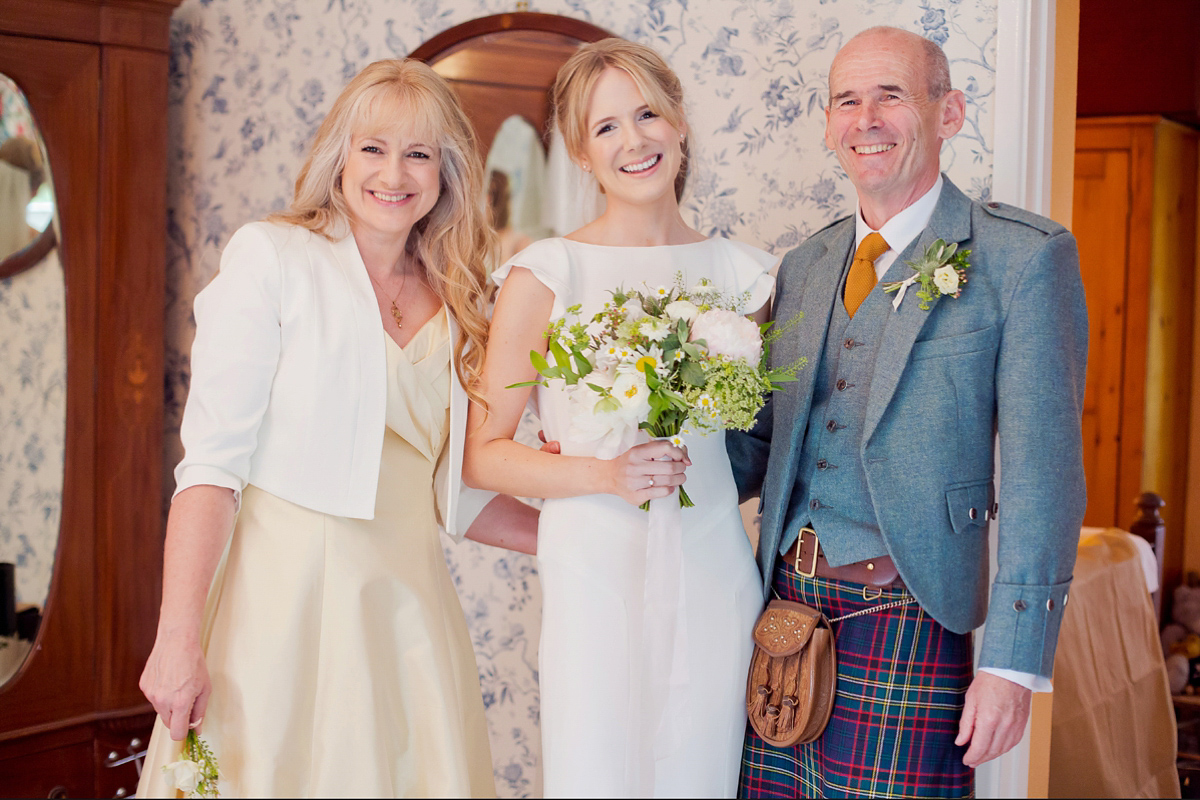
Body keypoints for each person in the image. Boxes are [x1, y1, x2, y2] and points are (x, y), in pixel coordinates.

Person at [137, 58, 539, 798]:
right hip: (280, 606)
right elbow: (211, 470)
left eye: (419, 152)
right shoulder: (274, 258)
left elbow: (458, 493)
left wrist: (593, 532)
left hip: (409, 609)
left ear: (446, 170)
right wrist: (176, 638)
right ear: (340, 157)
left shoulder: (464, 299)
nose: (395, 173)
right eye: (373, 148)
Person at [731, 26, 1087, 798]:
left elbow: (1043, 474)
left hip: (908, 615)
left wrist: (1012, 663)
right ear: (829, 124)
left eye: (891, 95)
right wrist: (631, 446)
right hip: (784, 611)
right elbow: (761, 444)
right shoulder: (805, 264)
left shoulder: (1023, 259)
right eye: (847, 101)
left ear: (949, 111)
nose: (867, 119)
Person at [462, 39, 775, 798]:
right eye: (606, 127)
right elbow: (482, 456)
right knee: (597, 772)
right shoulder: (547, 273)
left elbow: (760, 449)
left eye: (647, 115)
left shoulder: (747, 276)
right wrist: (603, 473)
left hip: (713, 573)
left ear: (679, 125)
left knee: (703, 771)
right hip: (594, 571)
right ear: (579, 149)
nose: (633, 141)